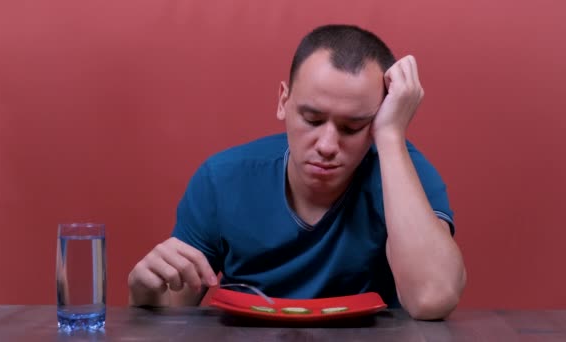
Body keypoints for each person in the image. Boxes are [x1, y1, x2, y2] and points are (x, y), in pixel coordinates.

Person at [128, 24, 466, 320]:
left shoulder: (402, 170)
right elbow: (174, 314)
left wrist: (391, 136)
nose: (327, 145)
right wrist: (145, 295)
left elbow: (431, 299)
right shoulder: (223, 179)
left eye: (353, 127)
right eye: (312, 120)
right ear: (283, 101)